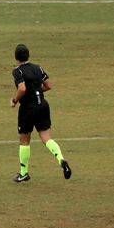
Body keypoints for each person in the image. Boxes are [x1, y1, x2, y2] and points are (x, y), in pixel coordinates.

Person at [10, 44, 71, 182]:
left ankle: (23, 172)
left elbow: (22, 89)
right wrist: (36, 91)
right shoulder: (38, 67)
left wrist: (15, 100)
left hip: (28, 109)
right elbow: (48, 85)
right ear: (29, 56)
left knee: (24, 141)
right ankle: (60, 158)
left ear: (15, 57)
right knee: (47, 138)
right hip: (42, 105)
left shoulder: (17, 71)